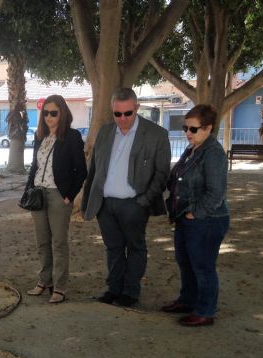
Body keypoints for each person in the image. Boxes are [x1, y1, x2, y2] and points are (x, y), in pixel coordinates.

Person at [81, 88, 170, 307]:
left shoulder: (156, 134)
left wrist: (145, 201)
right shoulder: (105, 132)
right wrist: (90, 200)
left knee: (136, 248)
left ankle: (130, 292)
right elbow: (94, 169)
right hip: (106, 204)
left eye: (128, 113)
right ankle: (114, 289)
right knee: (113, 249)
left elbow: (162, 173)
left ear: (137, 108)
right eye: (117, 114)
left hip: (134, 204)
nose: (122, 118)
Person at [162, 104, 229, 327]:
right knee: (185, 261)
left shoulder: (213, 153)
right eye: (185, 128)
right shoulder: (193, 149)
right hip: (185, 217)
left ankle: (205, 311)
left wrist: (194, 213)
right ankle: (188, 300)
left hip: (207, 220)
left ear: (208, 128)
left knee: (202, 265)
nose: (188, 133)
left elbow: (216, 193)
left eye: (193, 129)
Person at [25, 95, 87, 304]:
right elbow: (35, 166)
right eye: (46, 113)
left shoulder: (71, 136)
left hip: (59, 196)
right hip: (39, 195)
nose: (49, 117)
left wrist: (69, 195)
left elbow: (81, 170)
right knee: (42, 242)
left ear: (62, 113)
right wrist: (29, 188)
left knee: (58, 242)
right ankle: (45, 281)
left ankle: (59, 287)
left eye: (54, 113)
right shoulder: (39, 136)